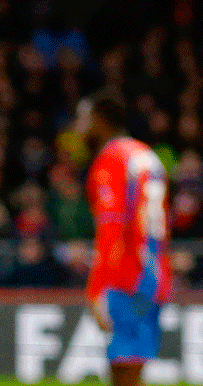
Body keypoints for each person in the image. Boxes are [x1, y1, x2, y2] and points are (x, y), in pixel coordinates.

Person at [84, 92, 172, 386]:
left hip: (127, 276)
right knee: (132, 365)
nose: (79, 127)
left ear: (101, 120)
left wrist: (97, 287)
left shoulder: (110, 159)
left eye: (84, 119)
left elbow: (111, 228)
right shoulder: (147, 155)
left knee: (123, 368)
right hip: (155, 271)